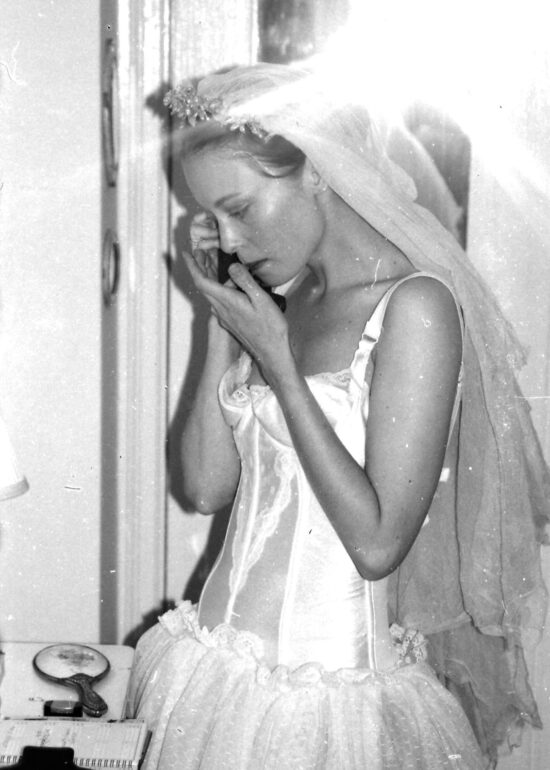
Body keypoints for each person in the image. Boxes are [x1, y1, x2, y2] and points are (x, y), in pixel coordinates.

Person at [129, 63, 550, 769]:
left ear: (318, 171)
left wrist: (279, 363)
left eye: (240, 209)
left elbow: (378, 545)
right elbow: (204, 488)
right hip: (215, 672)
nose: (227, 240)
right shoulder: (289, 298)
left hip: (332, 702)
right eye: (214, 219)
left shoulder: (415, 306)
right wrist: (219, 321)